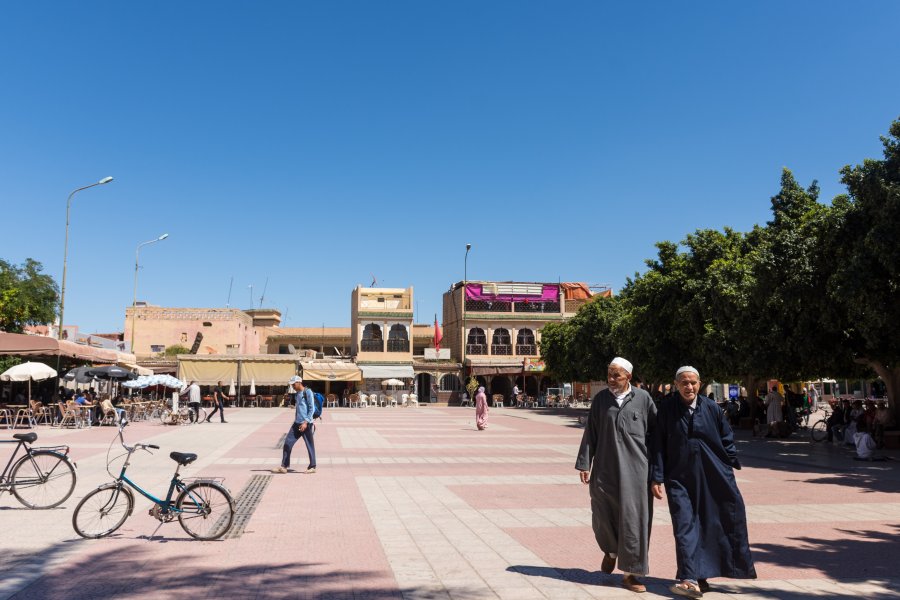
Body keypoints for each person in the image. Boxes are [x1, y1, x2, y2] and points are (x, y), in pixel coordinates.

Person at [651, 366, 756, 598]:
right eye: (684, 383)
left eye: (693, 382)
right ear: (675, 384)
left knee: (716, 521)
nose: (689, 387)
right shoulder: (667, 410)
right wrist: (656, 476)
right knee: (684, 525)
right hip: (678, 478)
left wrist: (729, 466)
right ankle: (688, 577)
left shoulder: (711, 408)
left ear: (699, 384)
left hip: (713, 475)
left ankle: (702, 575)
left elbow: (727, 439)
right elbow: (657, 444)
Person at [575, 357, 657, 593]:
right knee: (602, 515)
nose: (611, 380)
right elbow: (591, 432)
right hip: (605, 470)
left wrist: (658, 473)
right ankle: (611, 551)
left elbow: (656, 434)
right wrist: (584, 463)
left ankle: (631, 574)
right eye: (609, 374)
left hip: (636, 473)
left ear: (628, 377)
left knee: (634, 523)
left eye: (616, 376)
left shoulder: (643, 399)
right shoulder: (601, 400)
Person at [272, 376, 317, 474]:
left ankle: (312, 467)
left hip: (306, 424)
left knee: (309, 445)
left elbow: (311, 408)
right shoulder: (297, 394)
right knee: (287, 443)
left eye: (293, 384)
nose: (292, 386)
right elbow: (300, 408)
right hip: (297, 424)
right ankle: (284, 466)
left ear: (299, 382)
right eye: (292, 384)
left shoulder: (308, 392)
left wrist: (306, 422)